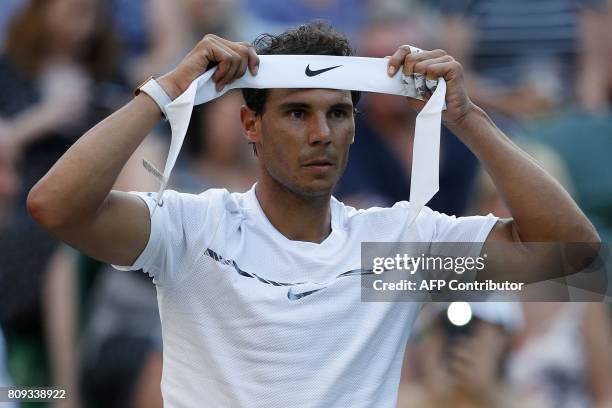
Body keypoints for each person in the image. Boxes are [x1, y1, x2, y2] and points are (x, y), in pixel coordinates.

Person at [27, 21, 599, 407]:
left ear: (354, 125)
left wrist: (467, 115)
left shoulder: (393, 250)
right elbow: (55, 206)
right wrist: (169, 89)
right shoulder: (193, 227)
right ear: (251, 125)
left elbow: (571, 257)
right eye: (296, 113)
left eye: (339, 114)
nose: (322, 134)